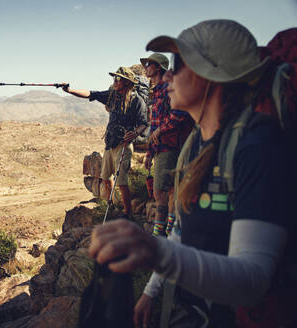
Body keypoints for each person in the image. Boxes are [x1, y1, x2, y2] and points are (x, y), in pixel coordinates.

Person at [88, 19, 295, 327]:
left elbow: (254, 281)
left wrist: (155, 253)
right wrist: (151, 290)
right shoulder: (197, 144)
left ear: (214, 74)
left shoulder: (255, 146)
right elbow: (182, 233)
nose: (168, 75)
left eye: (180, 65)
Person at [61, 67, 148, 217]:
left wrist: (134, 133)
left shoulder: (136, 101)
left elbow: (143, 122)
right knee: (105, 178)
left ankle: (128, 214)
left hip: (124, 146)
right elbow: (90, 94)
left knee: (121, 181)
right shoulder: (112, 96)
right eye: (114, 78)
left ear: (127, 82)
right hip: (110, 143)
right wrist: (69, 90)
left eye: (118, 79)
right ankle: (112, 206)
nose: (115, 81)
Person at [140, 53, 194, 236]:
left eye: (149, 64)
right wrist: (149, 153)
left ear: (158, 67)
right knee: (169, 190)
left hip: (169, 145)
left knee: (160, 192)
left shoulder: (167, 89)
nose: (146, 67)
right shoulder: (156, 91)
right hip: (160, 147)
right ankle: (169, 231)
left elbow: (180, 114)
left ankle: (160, 233)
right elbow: (154, 124)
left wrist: (160, 131)